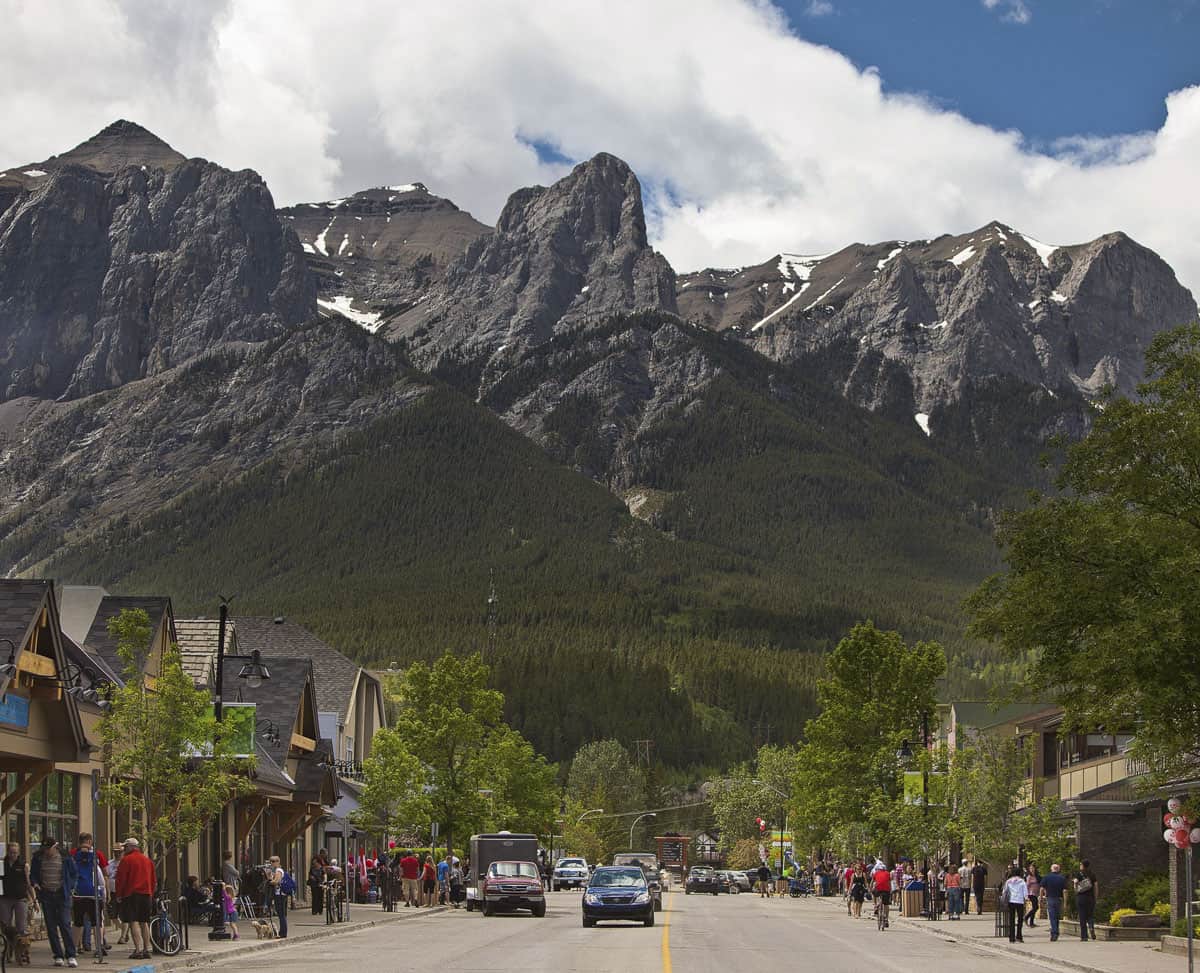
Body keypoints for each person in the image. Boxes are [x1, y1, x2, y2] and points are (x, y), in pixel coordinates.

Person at [31, 834, 80, 967]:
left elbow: (74, 873)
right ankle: (58, 955)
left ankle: (70, 954)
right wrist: (35, 883)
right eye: (45, 849)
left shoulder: (65, 857)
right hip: (47, 894)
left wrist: (70, 887)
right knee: (51, 926)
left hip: (62, 894)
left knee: (64, 924)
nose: (47, 852)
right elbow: (33, 874)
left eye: (49, 849)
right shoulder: (38, 858)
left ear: (55, 847)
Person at [115, 837, 155, 960]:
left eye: (125, 847)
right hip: (146, 894)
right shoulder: (147, 861)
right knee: (144, 922)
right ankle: (147, 949)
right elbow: (153, 880)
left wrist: (119, 895)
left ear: (131, 847)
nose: (124, 849)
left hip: (131, 894)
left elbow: (121, 879)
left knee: (134, 922)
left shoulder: (126, 860)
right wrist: (151, 893)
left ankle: (137, 950)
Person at [70, 833, 107, 955]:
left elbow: (71, 875)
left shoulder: (74, 856)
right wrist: (104, 894)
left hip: (79, 894)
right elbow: (100, 876)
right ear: (90, 842)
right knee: (97, 922)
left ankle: (73, 948)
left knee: (78, 922)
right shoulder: (94, 857)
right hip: (93, 894)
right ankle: (99, 948)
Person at [0, 842, 31, 944]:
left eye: (15, 852)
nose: (13, 855)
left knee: (21, 925)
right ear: (7, 852)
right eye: (11, 852)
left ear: (18, 853)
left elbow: (28, 882)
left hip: (20, 898)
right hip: (5, 898)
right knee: (5, 925)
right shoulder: (2, 863)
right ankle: (8, 949)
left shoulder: (23, 864)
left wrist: (33, 898)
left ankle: (22, 950)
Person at [1041, 863, 1067, 941]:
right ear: (1058, 869)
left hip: (1050, 898)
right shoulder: (1062, 878)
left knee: (1052, 917)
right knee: (1057, 916)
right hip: (1059, 898)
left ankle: (1054, 933)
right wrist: (1065, 902)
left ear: (1051, 869)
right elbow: (1065, 890)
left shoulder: (1047, 877)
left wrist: (1041, 898)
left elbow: (1041, 888)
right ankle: (1056, 931)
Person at [1074, 860, 1098, 942]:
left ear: (1083, 865)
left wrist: (1075, 887)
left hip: (1081, 898)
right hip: (1090, 898)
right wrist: (1095, 897)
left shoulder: (1079, 874)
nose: (1080, 865)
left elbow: (1076, 883)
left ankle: (1084, 936)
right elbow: (1095, 886)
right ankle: (1091, 927)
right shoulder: (1092, 874)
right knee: (1090, 915)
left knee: (1082, 917)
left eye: (1080, 864)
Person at [1002, 866, 1028, 943]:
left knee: (1011, 919)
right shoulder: (1022, 881)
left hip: (1011, 901)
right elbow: (1025, 893)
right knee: (1020, 919)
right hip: (1019, 901)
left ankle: (1011, 937)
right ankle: (1019, 936)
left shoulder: (1008, 881)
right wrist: (1026, 898)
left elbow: (1004, 891)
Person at [267, 855, 288, 938]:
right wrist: (269, 876)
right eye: (271, 861)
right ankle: (282, 932)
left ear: (278, 862)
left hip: (280, 895)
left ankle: (283, 933)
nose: (272, 863)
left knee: (281, 914)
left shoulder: (279, 870)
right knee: (280, 914)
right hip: (279, 894)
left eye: (273, 861)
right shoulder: (276, 871)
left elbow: (276, 881)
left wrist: (270, 882)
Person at [871, 861, 892, 926]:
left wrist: (870, 888)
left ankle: (876, 905)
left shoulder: (876, 873)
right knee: (886, 904)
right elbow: (889, 883)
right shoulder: (888, 873)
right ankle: (886, 919)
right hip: (886, 890)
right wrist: (890, 890)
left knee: (874, 893)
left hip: (878, 890)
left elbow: (872, 882)